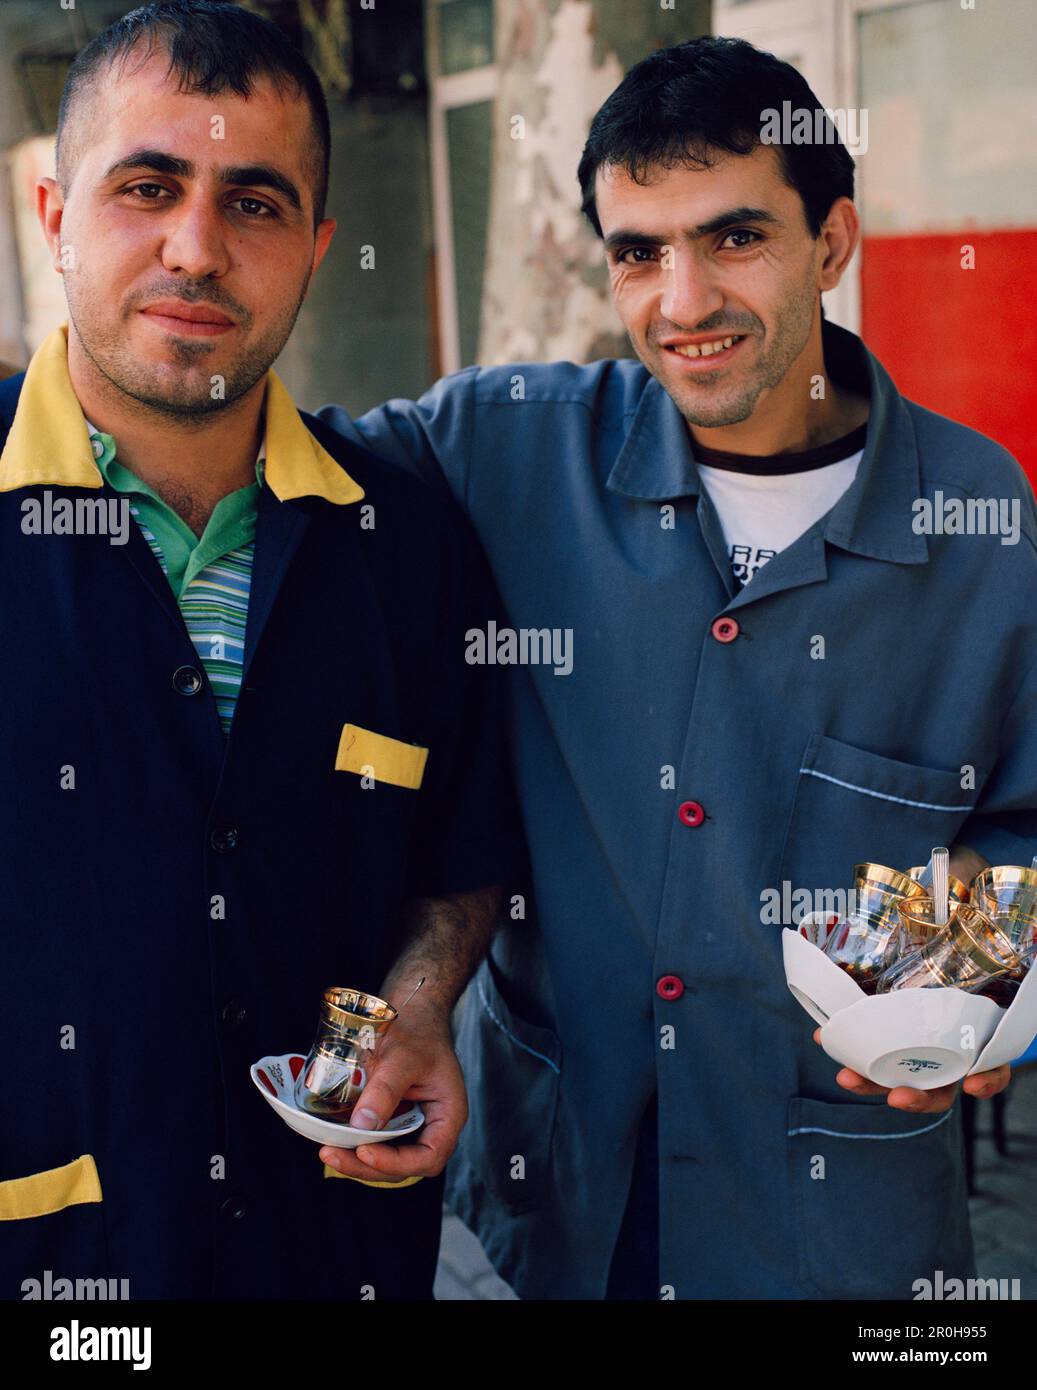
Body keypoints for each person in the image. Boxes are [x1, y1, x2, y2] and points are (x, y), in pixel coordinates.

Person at [317, 37, 1037, 1299]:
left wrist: (973, 976)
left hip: (834, 1223)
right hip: (554, 1202)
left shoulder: (980, 519)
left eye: (733, 237)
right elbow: (279, 478)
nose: (681, 299)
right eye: (637, 251)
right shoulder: (503, 446)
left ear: (830, 242)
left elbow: (1022, 830)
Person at [0, 1, 521, 1300]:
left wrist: (417, 1004)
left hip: (336, 1250)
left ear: (316, 247)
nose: (197, 246)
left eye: (256, 203)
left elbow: (459, 858)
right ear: (54, 215)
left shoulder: (402, 537)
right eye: (147, 186)